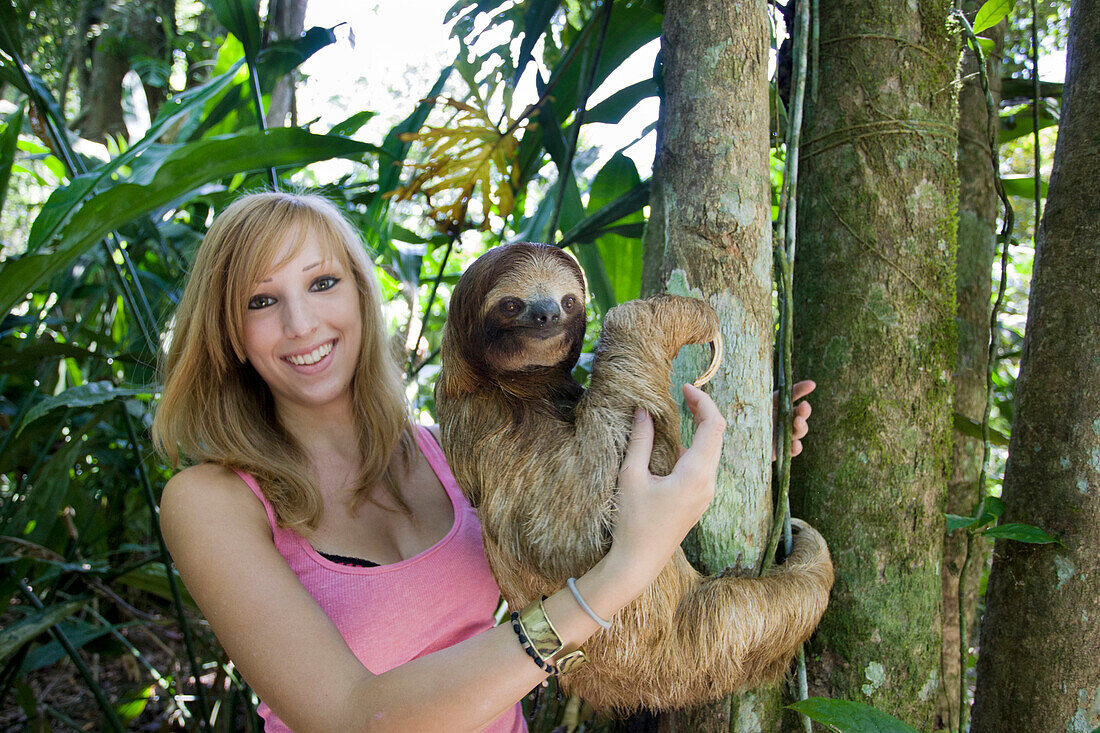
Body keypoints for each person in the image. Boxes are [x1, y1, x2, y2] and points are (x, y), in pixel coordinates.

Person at [153, 191, 813, 732]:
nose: (300, 323)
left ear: (359, 297)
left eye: (322, 282)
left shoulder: (440, 453)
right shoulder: (211, 499)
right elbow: (352, 717)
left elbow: (587, 511)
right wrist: (620, 575)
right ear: (230, 334)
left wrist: (733, 446)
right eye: (261, 300)